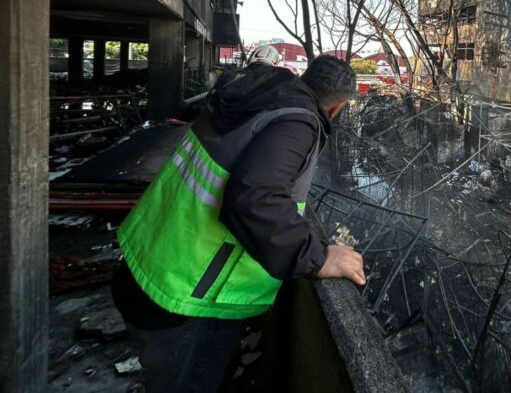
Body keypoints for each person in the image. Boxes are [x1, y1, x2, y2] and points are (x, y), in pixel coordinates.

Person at [111, 46, 365, 392]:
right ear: (337, 108)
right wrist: (316, 257)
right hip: (192, 298)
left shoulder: (257, 96)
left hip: (150, 263)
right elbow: (255, 199)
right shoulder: (297, 121)